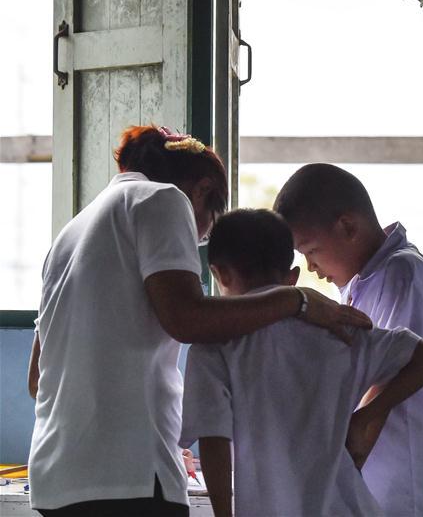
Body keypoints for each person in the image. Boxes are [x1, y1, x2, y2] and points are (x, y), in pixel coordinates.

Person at [28, 126, 370, 517]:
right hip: (127, 481)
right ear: (203, 190)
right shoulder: (163, 199)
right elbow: (187, 319)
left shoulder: (68, 237)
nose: (198, 242)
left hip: (57, 479)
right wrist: (297, 301)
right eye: (204, 231)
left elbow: (38, 378)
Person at [180, 209, 423, 517]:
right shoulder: (338, 329)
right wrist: (367, 414)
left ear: (219, 274)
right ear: (293, 276)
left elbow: (214, 443)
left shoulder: (215, 345)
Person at [274, 164, 423, 517]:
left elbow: (394, 369)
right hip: (387, 480)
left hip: (411, 483)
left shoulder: (401, 273)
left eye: (310, 250)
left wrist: (347, 434)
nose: (309, 266)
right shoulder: (365, 282)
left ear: (348, 227)